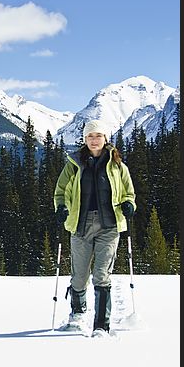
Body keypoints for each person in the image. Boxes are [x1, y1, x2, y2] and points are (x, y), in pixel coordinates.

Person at [54, 119, 136, 334]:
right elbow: (60, 191)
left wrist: (129, 204)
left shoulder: (118, 166)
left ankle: (101, 324)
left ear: (105, 138)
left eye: (98, 135)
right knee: (79, 277)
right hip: (80, 225)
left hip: (109, 225)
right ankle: (78, 315)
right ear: (85, 139)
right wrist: (61, 207)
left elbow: (129, 192)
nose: (94, 140)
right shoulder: (74, 164)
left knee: (101, 275)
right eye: (90, 136)